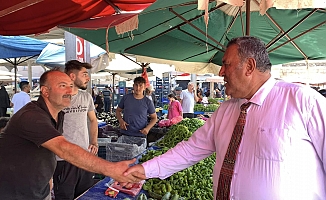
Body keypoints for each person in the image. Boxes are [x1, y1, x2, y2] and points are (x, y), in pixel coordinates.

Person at [124, 36, 326, 199]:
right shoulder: (226, 110)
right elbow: (189, 150)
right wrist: (143, 170)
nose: (221, 72)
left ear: (249, 67)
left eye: (226, 64)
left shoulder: (303, 101)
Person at [0, 69, 140, 200]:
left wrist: (49, 177)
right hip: (14, 192)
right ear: (45, 91)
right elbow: (63, 148)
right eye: (62, 86)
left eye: (71, 86)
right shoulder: (32, 116)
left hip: (38, 189)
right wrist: (111, 169)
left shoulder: (58, 114)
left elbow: (47, 150)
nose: (70, 91)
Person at [53, 60, 99, 199]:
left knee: (85, 195)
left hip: (84, 157)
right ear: (72, 76)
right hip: (63, 160)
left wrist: (94, 141)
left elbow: (93, 120)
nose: (88, 78)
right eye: (84, 74)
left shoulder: (86, 97)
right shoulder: (57, 98)